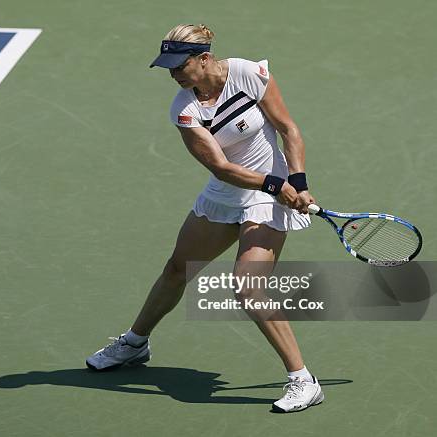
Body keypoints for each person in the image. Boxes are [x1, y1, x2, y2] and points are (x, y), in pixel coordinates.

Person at [86, 24, 324, 413]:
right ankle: (134, 343)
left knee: (248, 287)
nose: (174, 74)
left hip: (267, 200)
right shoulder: (185, 109)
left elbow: (287, 128)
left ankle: (303, 380)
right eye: (168, 67)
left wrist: (296, 180)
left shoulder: (249, 74)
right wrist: (273, 184)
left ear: (205, 59)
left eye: (180, 65)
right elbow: (220, 167)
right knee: (177, 268)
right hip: (229, 193)